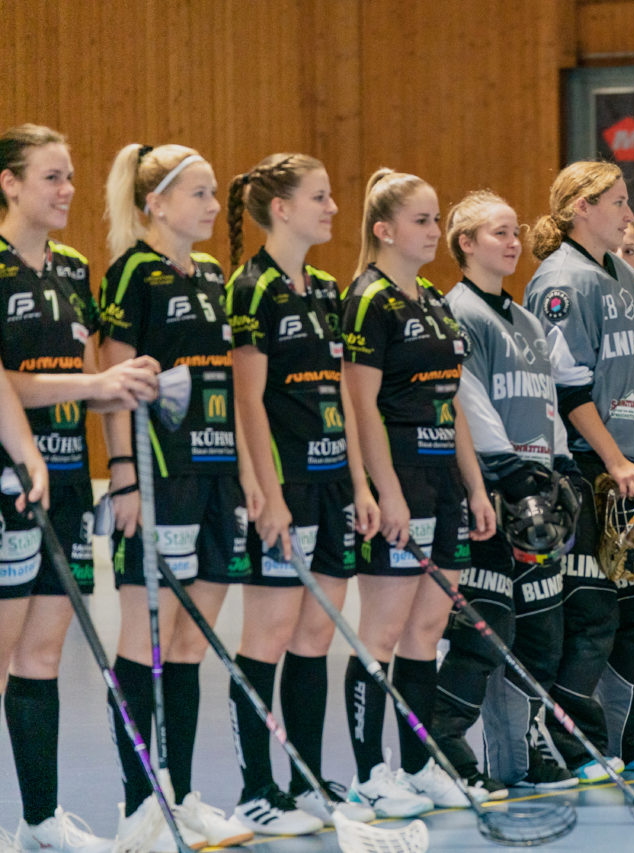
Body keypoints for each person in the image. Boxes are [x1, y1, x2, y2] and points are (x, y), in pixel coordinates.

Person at [0, 124, 158, 853]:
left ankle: (39, 821)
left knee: (41, 655)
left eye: (70, 176)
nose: (67, 190)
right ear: (10, 183)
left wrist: (120, 445)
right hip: (6, 480)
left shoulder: (70, 268)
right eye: (52, 177)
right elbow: (8, 383)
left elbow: (97, 384)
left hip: (64, 481)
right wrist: (98, 381)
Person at [99, 142, 257, 850]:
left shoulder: (215, 273)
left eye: (215, 193)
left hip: (218, 470)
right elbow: (114, 376)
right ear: (155, 202)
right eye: (198, 193)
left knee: (192, 641)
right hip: (162, 477)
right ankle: (140, 808)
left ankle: (183, 794)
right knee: (146, 641)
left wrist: (249, 477)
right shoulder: (132, 272)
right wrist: (125, 474)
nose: (213, 206)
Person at [224, 153, 381, 831]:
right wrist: (268, 490)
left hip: (331, 487)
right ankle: (257, 789)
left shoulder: (324, 287)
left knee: (317, 634)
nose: (334, 209)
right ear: (281, 208)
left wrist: (360, 482)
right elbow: (246, 400)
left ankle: (308, 779)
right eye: (320, 197)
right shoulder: (250, 288)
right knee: (268, 633)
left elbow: (344, 396)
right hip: (284, 486)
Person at [523, 161, 634, 781]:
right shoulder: (559, 281)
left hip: (633, 468)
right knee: (591, 612)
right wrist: (614, 461)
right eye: (616, 202)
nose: (627, 212)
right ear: (578, 209)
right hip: (585, 466)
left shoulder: (622, 273)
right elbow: (568, 389)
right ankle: (580, 747)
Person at [340, 168, 497, 810]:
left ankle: (419, 764)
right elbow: (360, 405)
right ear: (384, 230)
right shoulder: (368, 299)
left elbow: (452, 402)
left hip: (444, 481)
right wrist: (386, 490)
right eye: (422, 221)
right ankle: (370, 775)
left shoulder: (432, 298)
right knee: (380, 630)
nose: (434, 231)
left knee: (427, 630)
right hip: (399, 473)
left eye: (436, 220)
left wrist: (476, 486)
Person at [440, 189, 582, 792]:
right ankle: (446, 742)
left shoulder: (526, 318)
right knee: (486, 636)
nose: (512, 242)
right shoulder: (458, 312)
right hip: (492, 496)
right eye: (498, 233)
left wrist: (561, 465)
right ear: (466, 244)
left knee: (541, 635)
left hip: (537, 502)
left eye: (515, 232)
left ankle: (521, 752)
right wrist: (509, 470)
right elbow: (465, 400)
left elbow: (548, 402)